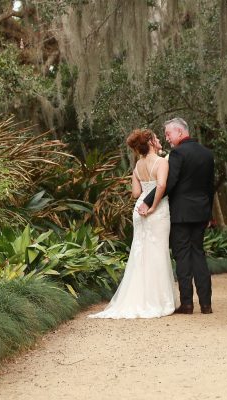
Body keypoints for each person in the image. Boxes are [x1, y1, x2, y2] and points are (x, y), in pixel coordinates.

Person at [88, 129, 178, 319]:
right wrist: (153, 206)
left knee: (141, 254)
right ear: (152, 142)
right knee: (158, 252)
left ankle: (139, 298)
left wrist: (145, 196)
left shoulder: (137, 165)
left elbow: (136, 193)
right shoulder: (162, 161)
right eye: (156, 137)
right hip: (156, 209)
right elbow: (161, 185)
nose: (159, 139)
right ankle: (159, 301)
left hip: (139, 210)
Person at [138, 118, 214, 314]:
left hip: (181, 213)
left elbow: (169, 183)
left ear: (180, 132)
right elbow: (210, 187)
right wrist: (208, 212)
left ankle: (187, 304)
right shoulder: (207, 154)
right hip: (201, 212)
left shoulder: (178, 153)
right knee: (198, 254)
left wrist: (147, 200)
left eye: (168, 134)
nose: (167, 138)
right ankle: (206, 304)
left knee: (182, 256)